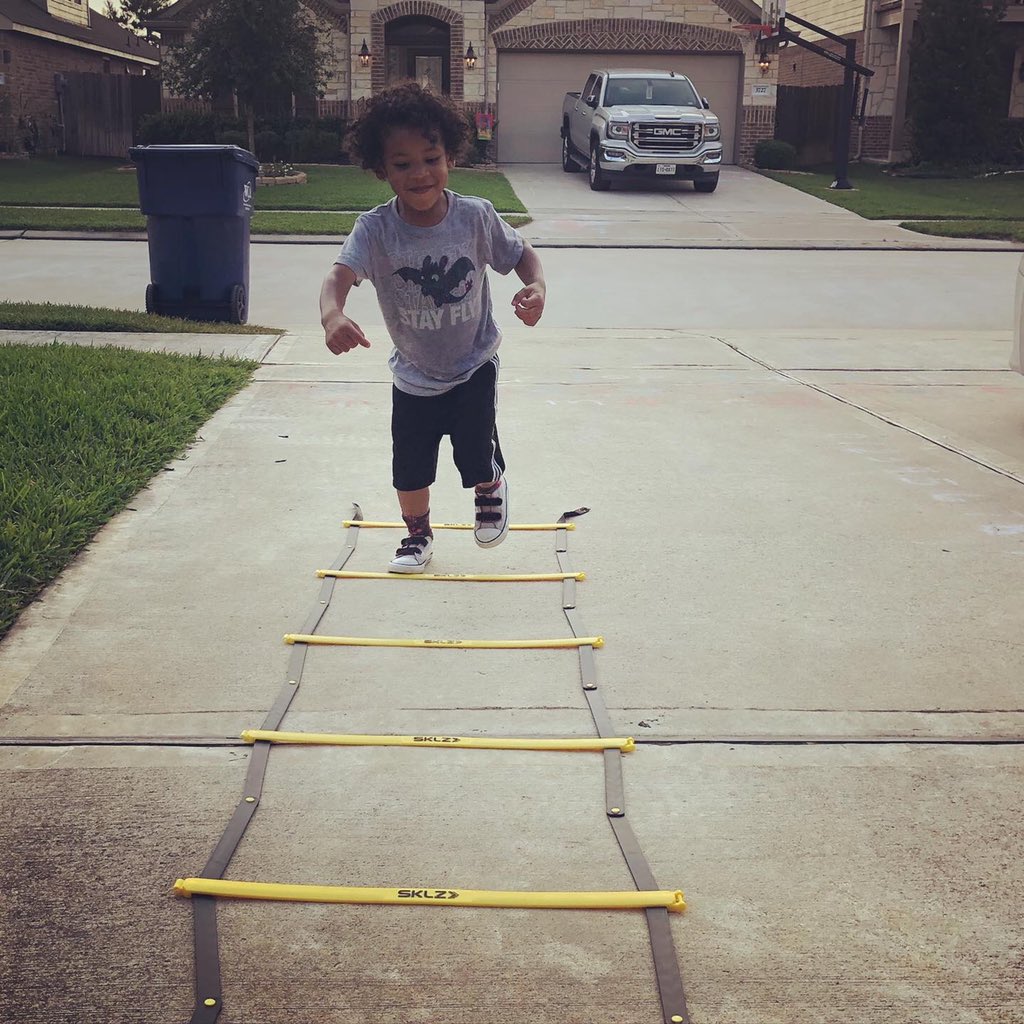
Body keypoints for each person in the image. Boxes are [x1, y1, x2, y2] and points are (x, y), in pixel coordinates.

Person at [320, 83, 546, 573]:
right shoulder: (375, 230)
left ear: (450, 157)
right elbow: (338, 276)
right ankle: (417, 537)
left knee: (474, 451)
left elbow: (521, 255)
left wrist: (538, 286)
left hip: (473, 362)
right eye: (402, 165)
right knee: (409, 470)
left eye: (431, 158)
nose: (420, 173)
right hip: (414, 375)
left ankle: (490, 486)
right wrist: (333, 314)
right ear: (382, 170)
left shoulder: (474, 217)